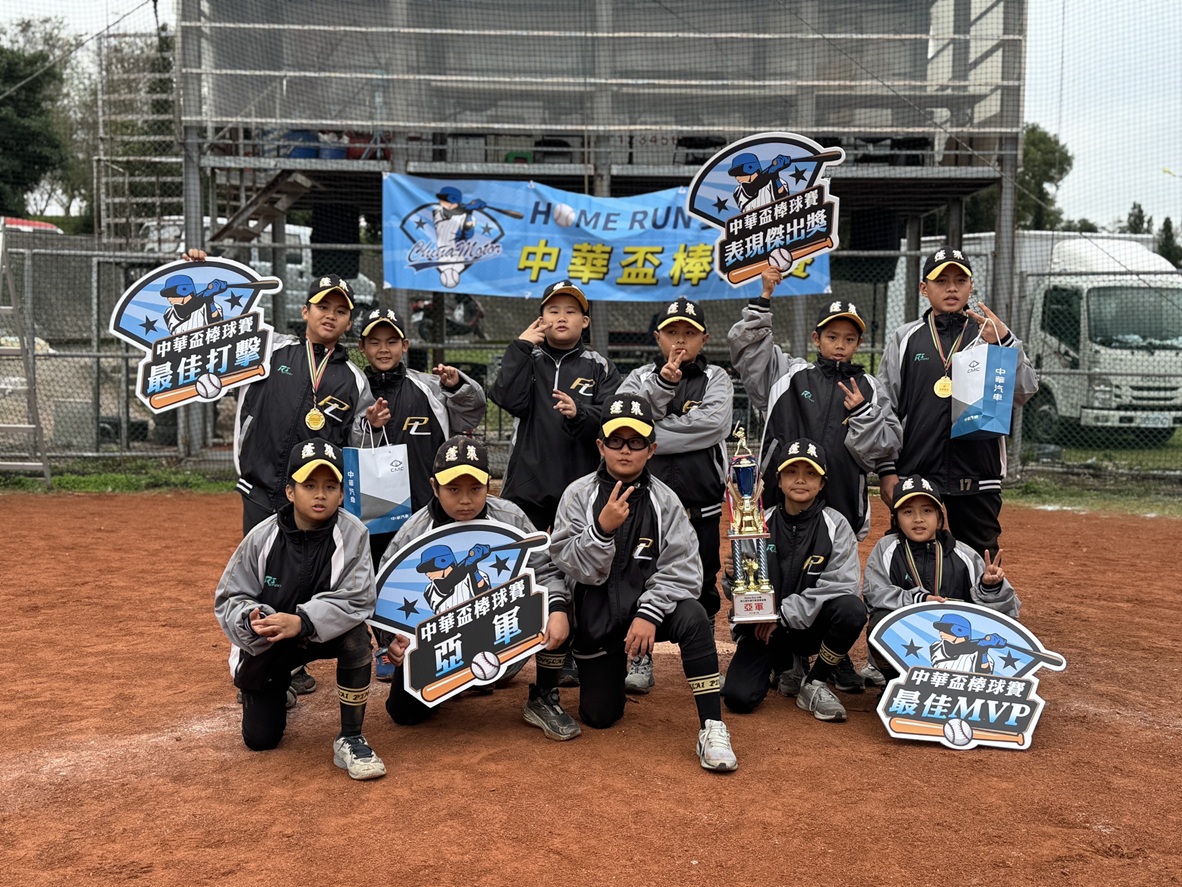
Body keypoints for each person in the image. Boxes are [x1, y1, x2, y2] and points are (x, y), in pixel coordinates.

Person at [728, 267, 901, 692]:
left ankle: (832, 657)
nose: (840, 345)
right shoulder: (790, 375)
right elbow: (746, 350)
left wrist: (864, 414)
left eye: (849, 338)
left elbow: (886, 446)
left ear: (859, 343)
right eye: (832, 336)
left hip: (840, 497)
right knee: (778, 569)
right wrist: (764, 298)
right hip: (782, 499)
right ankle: (786, 653)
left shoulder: (870, 387)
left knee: (832, 579)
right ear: (816, 338)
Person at [549, 394, 738, 771]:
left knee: (694, 615)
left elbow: (685, 569)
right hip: (597, 618)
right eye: (616, 441)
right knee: (600, 716)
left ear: (652, 449)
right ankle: (603, 672)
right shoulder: (578, 495)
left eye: (636, 442)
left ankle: (712, 726)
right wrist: (601, 530)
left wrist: (649, 613)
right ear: (600, 446)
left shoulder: (666, 500)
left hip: (648, 611)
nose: (625, 450)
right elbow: (567, 563)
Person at [381, 436, 580, 741]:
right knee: (404, 713)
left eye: (475, 489)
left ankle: (543, 696)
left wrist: (556, 609)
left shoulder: (510, 518)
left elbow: (546, 569)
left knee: (557, 601)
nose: (465, 500)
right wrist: (392, 640)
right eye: (453, 489)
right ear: (434, 487)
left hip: (502, 635)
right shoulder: (414, 533)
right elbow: (387, 594)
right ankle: (459, 680)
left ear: (489, 485)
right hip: (444, 644)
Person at [213, 438, 386, 780]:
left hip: (323, 633)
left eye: (330, 486)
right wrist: (250, 619)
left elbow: (359, 597)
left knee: (357, 638)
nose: (320, 495)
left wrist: (303, 620)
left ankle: (351, 737)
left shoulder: (353, 533)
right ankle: (280, 686)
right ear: (290, 492)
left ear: (342, 494)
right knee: (260, 740)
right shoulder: (261, 537)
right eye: (309, 485)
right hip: (273, 638)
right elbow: (229, 597)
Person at [489, 278, 621, 687]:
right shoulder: (528, 357)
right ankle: (508, 651)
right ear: (541, 318)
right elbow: (506, 398)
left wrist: (580, 412)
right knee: (514, 568)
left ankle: (566, 653)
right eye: (553, 310)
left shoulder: (599, 366)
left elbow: (614, 421)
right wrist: (519, 347)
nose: (561, 317)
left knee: (576, 568)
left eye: (571, 311)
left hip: (579, 488)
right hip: (527, 486)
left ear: (585, 321)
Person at [876, 246, 1038, 560]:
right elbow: (886, 405)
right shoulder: (905, 338)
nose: (951, 288)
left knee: (980, 560)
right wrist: (886, 469)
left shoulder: (990, 335)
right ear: (924, 288)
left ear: (971, 286)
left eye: (960, 280)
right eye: (941, 281)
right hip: (917, 472)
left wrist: (1006, 343)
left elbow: (1024, 392)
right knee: (912, 559)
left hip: (978, 473)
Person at [617, 296, 732, 695]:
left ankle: (703, 653)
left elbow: (711, 426)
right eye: (671, 332)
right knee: (640, 573)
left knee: (703, 577)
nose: (680, 341)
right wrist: (662, 386)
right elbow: (624, 423)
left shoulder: (716, 377)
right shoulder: (638, 378)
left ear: (704, 339)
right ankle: (640, 656)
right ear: (657, 337)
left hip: (702, 501)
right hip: (645, 502)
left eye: (689, 333)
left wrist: (650, 434)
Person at [720, 439, 867, 723]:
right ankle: (785, 664)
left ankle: (815, 681)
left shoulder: (836, 525)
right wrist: (732, 577)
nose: (800, 480)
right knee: (738, 698)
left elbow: (842, 585)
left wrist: (783, 614)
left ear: (822, 483)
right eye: (791, 472)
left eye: (810, 473)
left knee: (851, 609)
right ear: (778, 480)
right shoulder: (757, 521)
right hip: (764, 629)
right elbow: (743, 590)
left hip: (810, 627)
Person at [352, 306, 486, 566]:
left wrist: (457, 386)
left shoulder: (431, 386)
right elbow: (349, 443)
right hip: (374, 512)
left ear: (405, 345)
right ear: (361, 346)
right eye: (374, 342)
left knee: (431, 568)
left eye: (392, 342)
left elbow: (471, 414)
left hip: (427, 507)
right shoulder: (355, 387)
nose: (383, 349)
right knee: (378, 571)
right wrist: (372, 426)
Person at [861, 475, 1019, 682]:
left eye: (927, 511)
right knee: (880, 621)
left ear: (939, 516)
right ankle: (893, 681)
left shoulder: (965, 554)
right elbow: (875, 593)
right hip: (909, 640)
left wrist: (990, 588)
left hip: (958, 644)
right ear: (895, 518)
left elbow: (1008, 611)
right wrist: (918, 600)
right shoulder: (887, 548)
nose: (918, 519)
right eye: (908, 512)